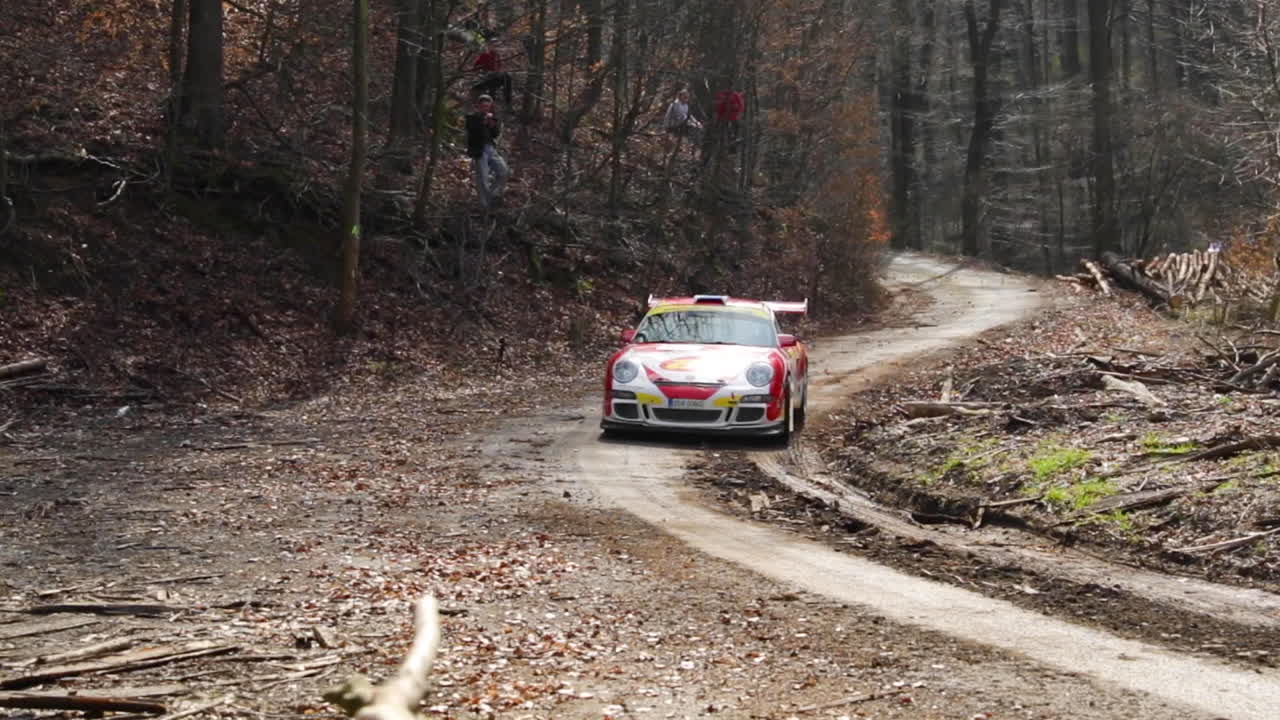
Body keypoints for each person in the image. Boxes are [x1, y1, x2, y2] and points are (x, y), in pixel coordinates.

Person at [465, 94, 509, 209]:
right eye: (483, 106)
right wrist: (483, 120)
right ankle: (484, 205)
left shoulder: (491, 117)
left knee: (503, 171)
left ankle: (492, 195)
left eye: (488, 106)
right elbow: (472, 130)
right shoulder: (472, 117)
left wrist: (493, 125)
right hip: (479, 150)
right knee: (483, 178)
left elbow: (495, 133)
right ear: (478, 106)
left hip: (491, 148)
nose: (486, 109)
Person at [472, 42, 513, 109]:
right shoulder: (484, 55)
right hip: (486, 79)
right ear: (489, 46)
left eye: (497, 46)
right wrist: (482, 73)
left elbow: (499, 67)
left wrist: (499, 72)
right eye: (494, 46)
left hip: (496, 77)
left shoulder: (497, 55)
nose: (495, 48)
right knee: (492, 80)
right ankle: (491, 103)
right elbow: (475, 67)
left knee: (507, 77)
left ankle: (507, 102)